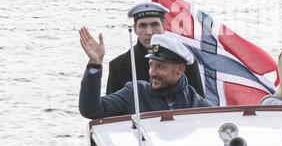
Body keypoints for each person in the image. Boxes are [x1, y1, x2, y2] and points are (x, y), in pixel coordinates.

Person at [79, 33, 211, 119]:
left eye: (160, 67)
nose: (152, 72)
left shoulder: (196, 104)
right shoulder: (134, 93)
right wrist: (95, 65)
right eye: (151, 65)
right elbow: (91, 110)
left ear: (180, 69)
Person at [88, 1, 204, 97]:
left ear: (164, 26)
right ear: (134, 29)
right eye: (143, 26)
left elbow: (198, 110)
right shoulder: (118, 66)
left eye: (155, 25)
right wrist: (95, 64)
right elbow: (110, 115)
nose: (149, 32)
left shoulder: (184, 63)